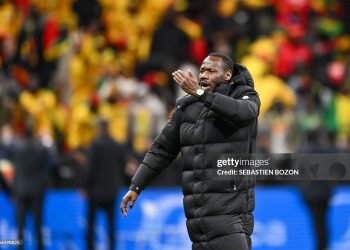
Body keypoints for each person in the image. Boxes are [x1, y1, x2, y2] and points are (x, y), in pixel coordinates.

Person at [120, 52, 260, 250]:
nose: (203, 75)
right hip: (197, 225)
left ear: (227, 75)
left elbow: (243, 113)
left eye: (211, 71)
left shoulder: (245, 96)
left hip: (231, 221)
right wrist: (136, 185)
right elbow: (162, 150)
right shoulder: (187, 106)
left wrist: (201, 94)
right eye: (202, 70)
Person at [85, 119, 126, 250]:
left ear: (99, 128)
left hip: (95, 191)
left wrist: (85, 186)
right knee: (111, 225)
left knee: (91, 225)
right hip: (112, 191)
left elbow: (90, 168)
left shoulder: (95, 145)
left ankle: (90, 247)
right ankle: (112, 247)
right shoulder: (115, 144)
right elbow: (122, 165)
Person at [12, 126, 50, 250]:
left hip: (21, 191)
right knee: (38, 226)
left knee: (20, 227)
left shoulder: (17, 149)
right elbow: (49, 164)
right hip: (37, 192)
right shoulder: (41, 150)